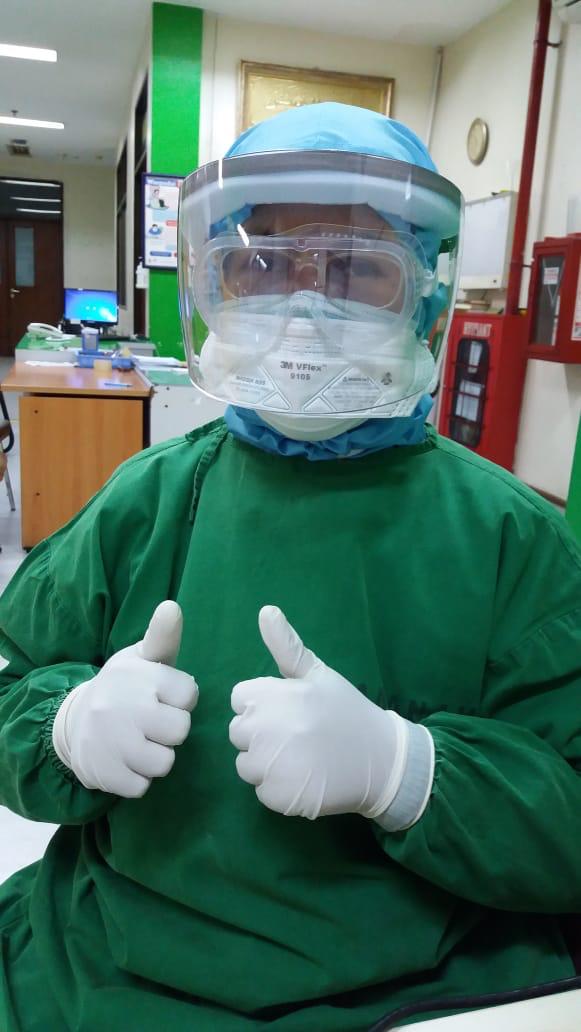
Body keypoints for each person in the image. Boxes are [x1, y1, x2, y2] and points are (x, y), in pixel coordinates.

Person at [0, 101, 580, 1032]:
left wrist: (407, 772)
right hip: (110, 962)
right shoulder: (148, 499)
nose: (305, 313)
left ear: (426, 299)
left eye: (357, 269)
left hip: (416, 987)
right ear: (214, 284)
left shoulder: (509, 538)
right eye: (262, 266)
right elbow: (12, 693)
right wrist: (66, 727)